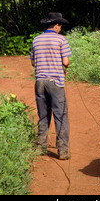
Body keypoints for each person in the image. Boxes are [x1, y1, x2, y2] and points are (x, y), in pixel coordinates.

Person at [30, 12, 72, 159]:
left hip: (40, 82)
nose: (60, 28)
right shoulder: (61, 40)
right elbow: (66, 62)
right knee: (60, 116)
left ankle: (41, 147)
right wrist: (63, 66)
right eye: (60, 26)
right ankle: (63, 151)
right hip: (55, 82)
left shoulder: (36, 40)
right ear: (56, 25)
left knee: (43, 116)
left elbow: (33, 62)